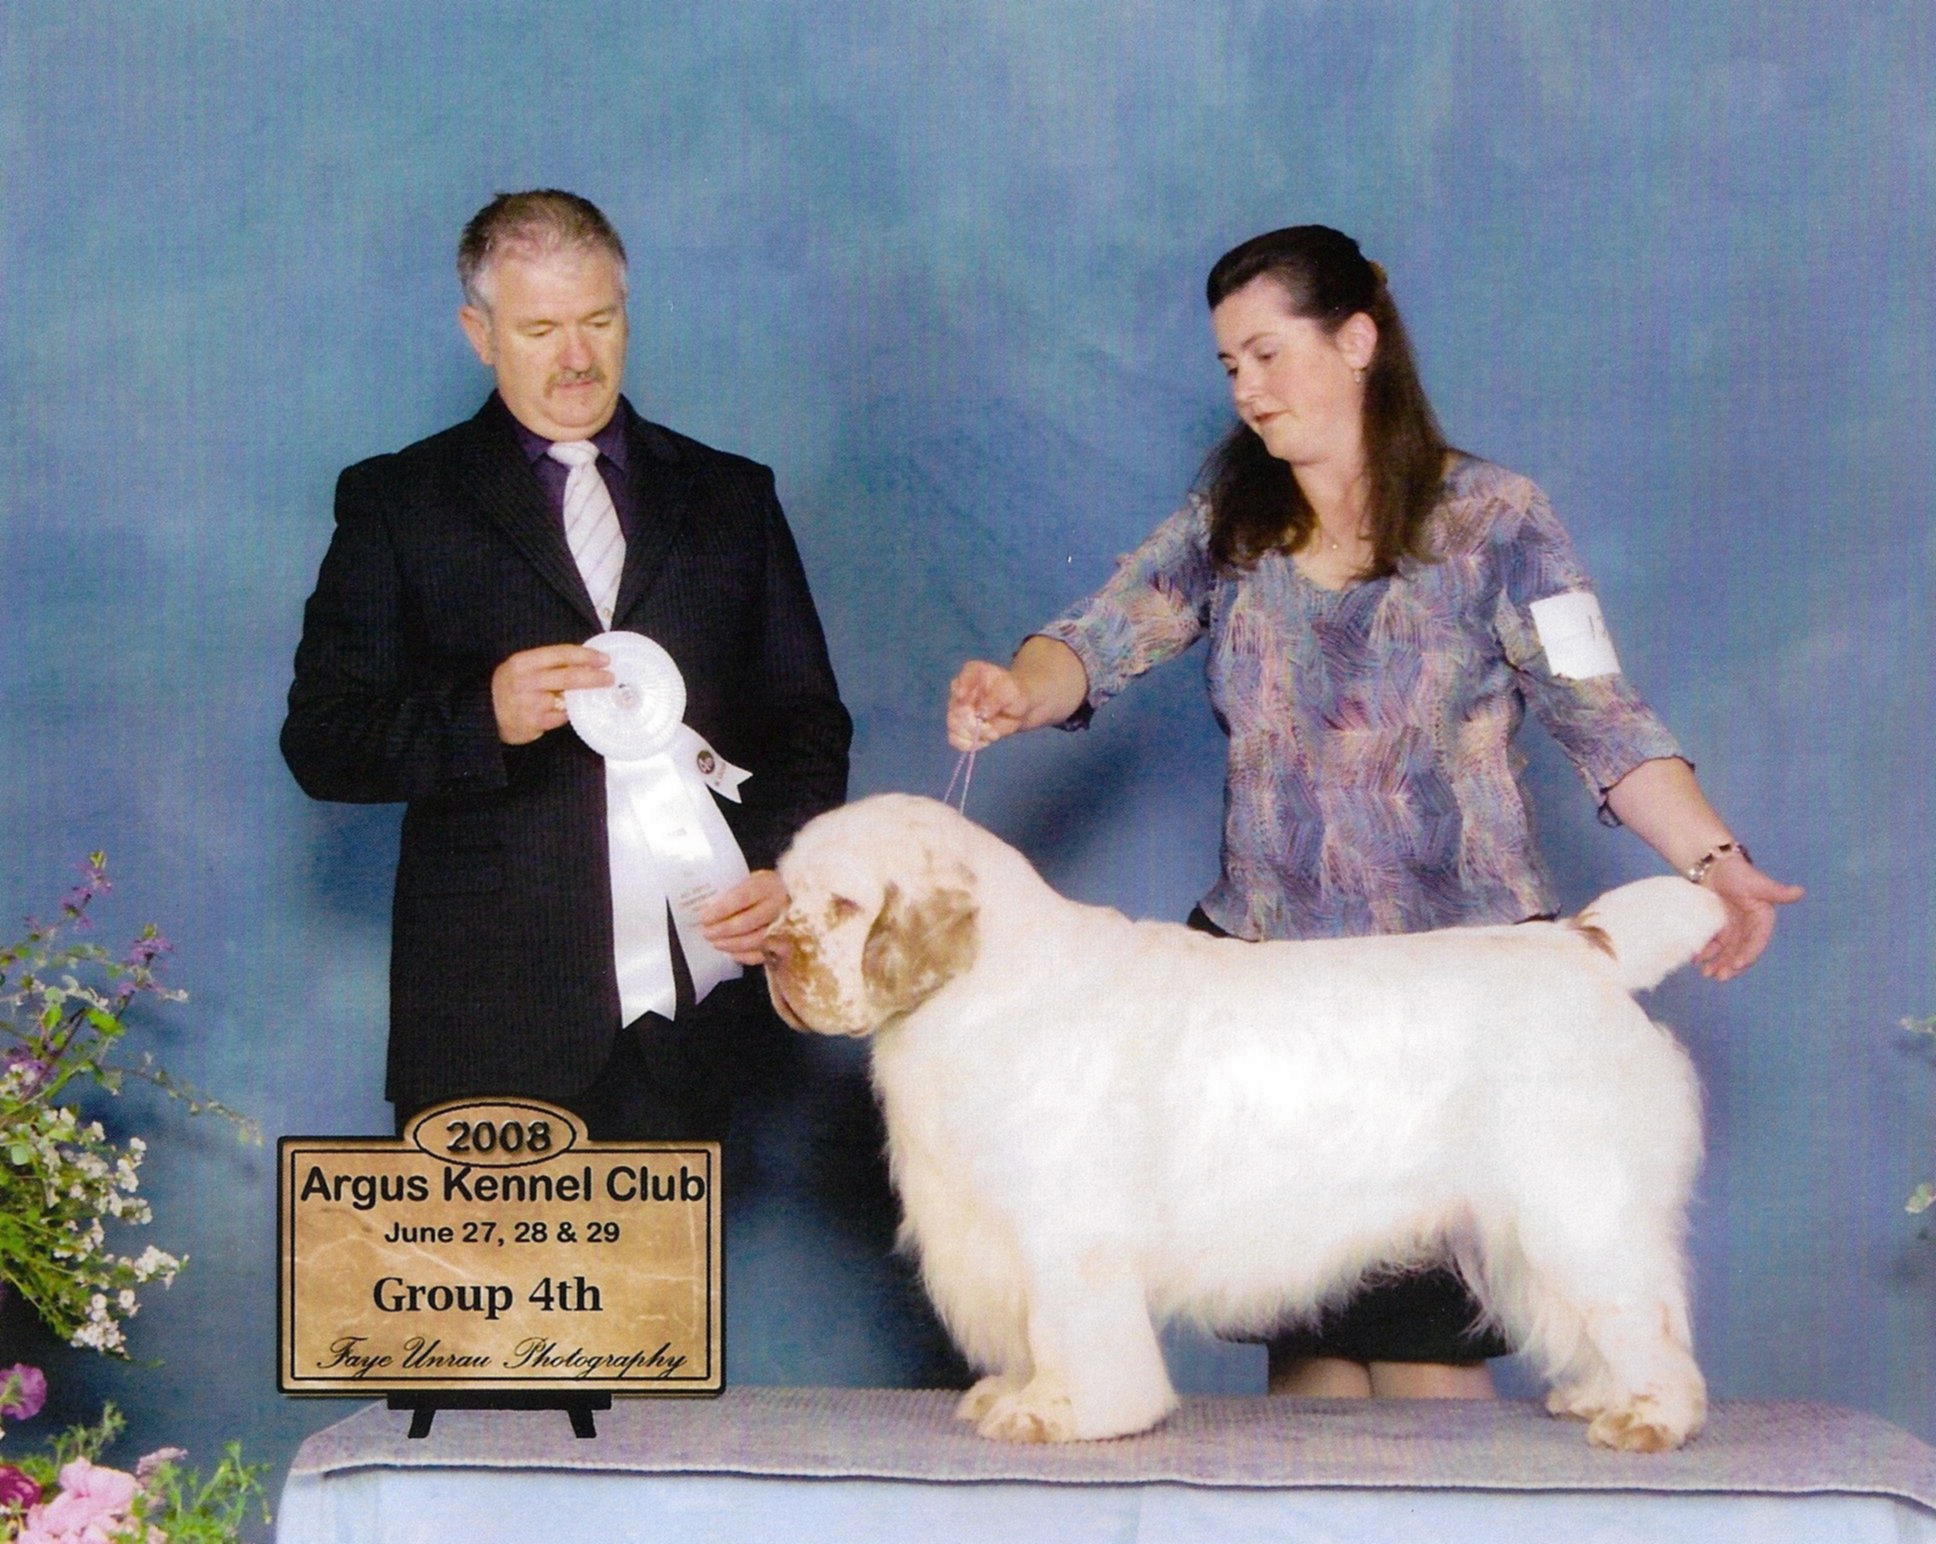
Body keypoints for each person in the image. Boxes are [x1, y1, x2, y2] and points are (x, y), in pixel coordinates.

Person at [946, 224, 1801, 1401]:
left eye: (1266, 354)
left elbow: (1599, 710)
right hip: (1260, 1014)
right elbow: (1098, 636)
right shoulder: (1227, 522)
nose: (1246, 390)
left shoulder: (1496, 520)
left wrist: (1714, 858)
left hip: (1458, 1020)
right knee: (1308, 1385)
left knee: (1427, 1387)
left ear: (1356, 341)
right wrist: (1017, 687)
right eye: (1229, 365)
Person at [283, 190, 850, 1141]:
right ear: (480, 334)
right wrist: (483, 717)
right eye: (541, 329)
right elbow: (321, 739)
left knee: (677, 1251)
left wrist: (778, 860)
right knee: (483, 1252)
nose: (577, 357)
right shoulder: (397, 501)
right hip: (485, 1018)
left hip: (697, 1010)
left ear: (627, 314)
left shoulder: (731, 496)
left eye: (599, 320)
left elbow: (807, 722)